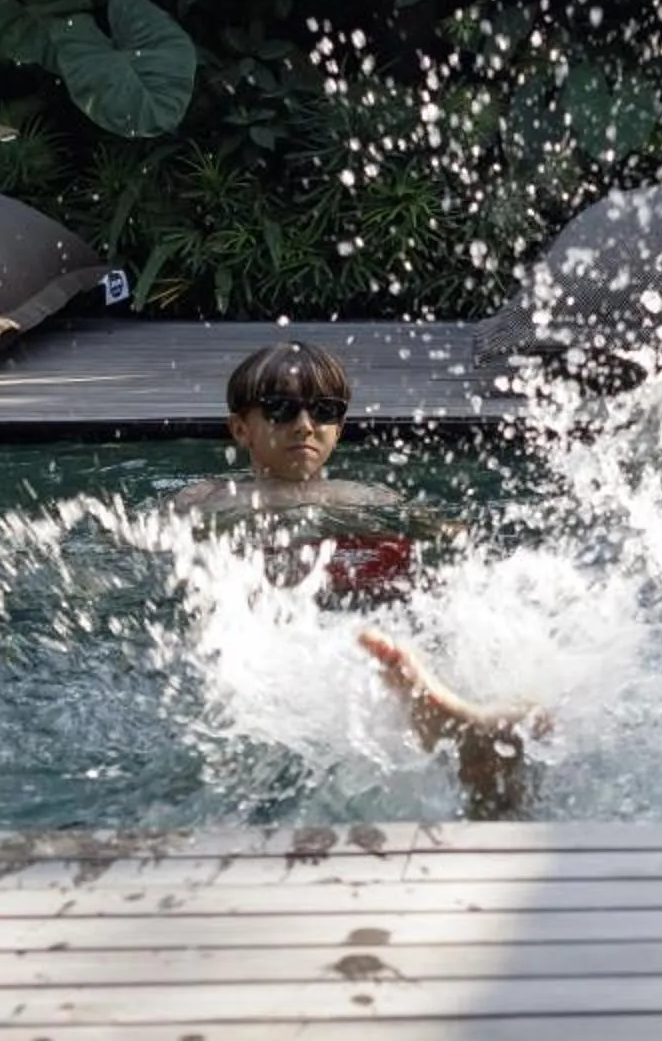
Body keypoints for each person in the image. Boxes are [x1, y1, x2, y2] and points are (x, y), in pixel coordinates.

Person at [168, 342, 544, 815]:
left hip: (376, 605)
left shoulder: (368, 497)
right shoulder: (208, 499)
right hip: (289, 630)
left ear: (339, 427)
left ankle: (467, 722)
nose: (304, 424)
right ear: (240, 427)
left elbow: (454, 543)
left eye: (323, 411)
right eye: (281, 409)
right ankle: (465, 735)